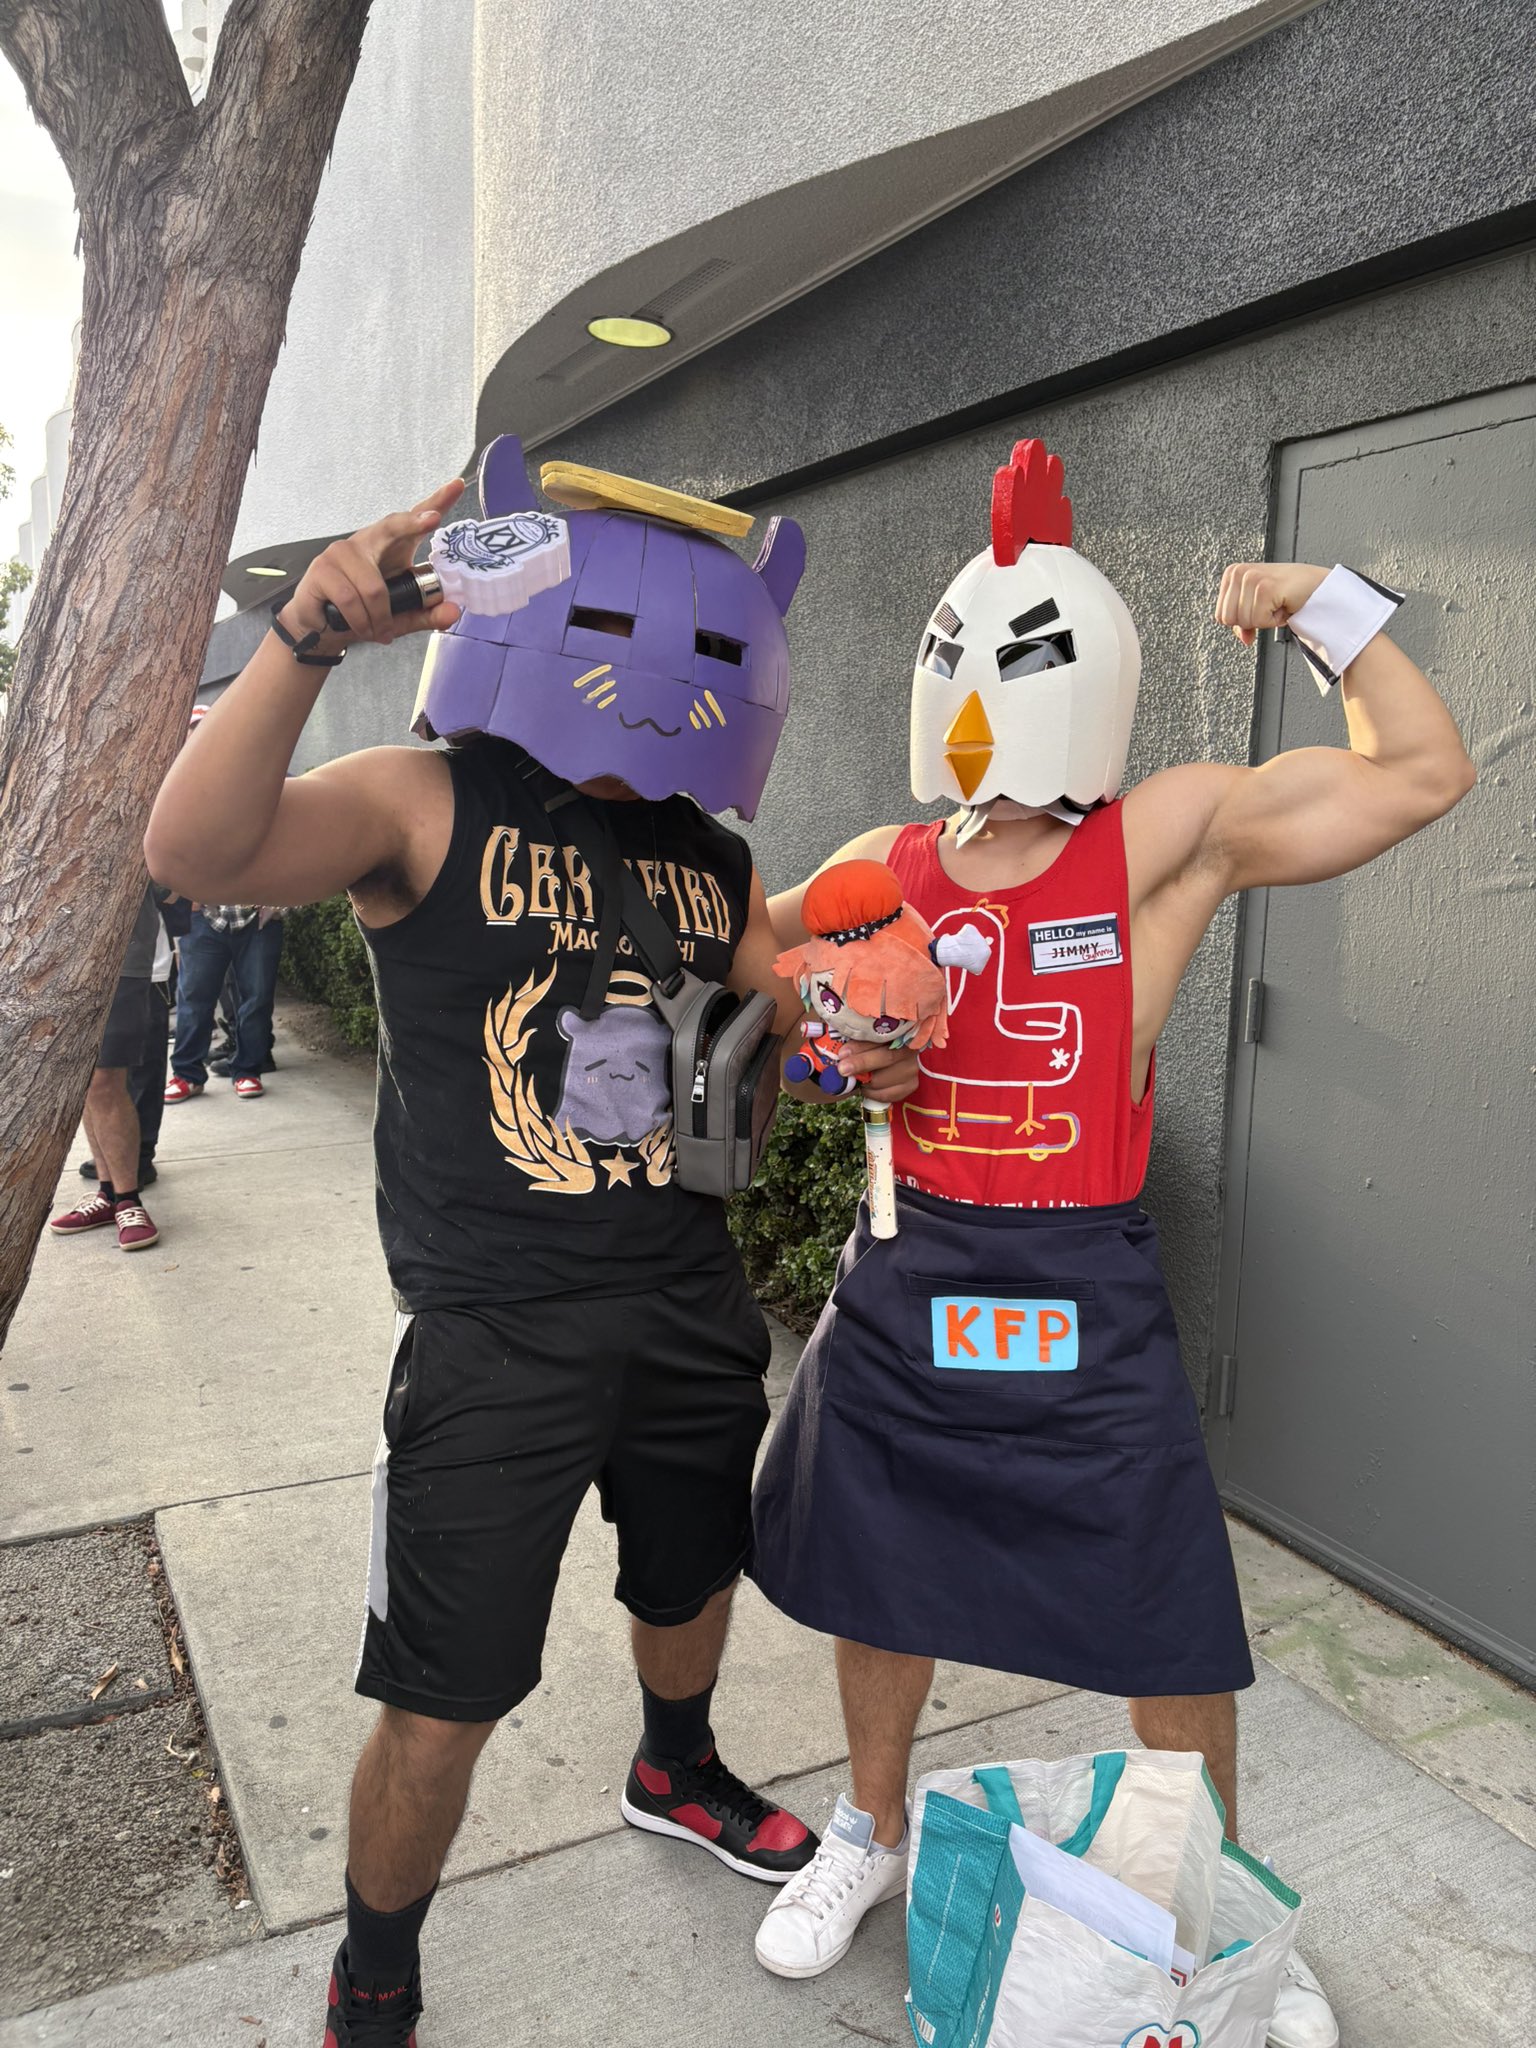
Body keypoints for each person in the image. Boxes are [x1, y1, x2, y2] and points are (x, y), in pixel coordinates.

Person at [143, 443, 916, 2048]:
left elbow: (776, 1025)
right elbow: (197, 856)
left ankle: (674, 1768)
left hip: (688, 1301)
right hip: (493, 1335)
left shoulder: (714, 856)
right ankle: (374, 1975)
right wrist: (306, 638)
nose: (662, 666)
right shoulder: (424, 794)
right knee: (442, 1699)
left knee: (690, 1576)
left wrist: (853, 1038)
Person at [748, 440, 1476, 2048]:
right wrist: (830, 1046)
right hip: (913, 1262)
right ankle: (867, 1830)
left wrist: (1327, 608)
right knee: (881, 1565)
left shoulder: (1161, 837)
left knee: (1164, 1605)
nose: (979, 699)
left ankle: (1212, 1918)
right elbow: (751, 951)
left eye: (1017, 660)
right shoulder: (884, 864)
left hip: (1079, 1276)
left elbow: (1422, 775)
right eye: (959, 655)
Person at [49, 882, 163, 1251]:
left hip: (118, 952)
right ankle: (108, 1192)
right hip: (55, 955)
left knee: (105, 1078)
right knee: (84, 1078)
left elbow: (170, 875)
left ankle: (128, 1199)